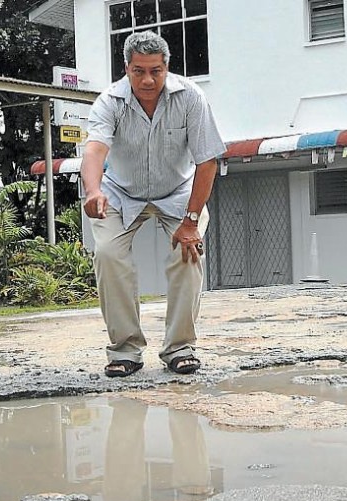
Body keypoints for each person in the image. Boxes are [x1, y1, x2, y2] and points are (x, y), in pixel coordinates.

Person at [81, 31, 226, 378]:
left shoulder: (191, 97)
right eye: (138, 71)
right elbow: (94, 149)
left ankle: (180, 347)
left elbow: (207, 162)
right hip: (119, 192)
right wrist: (92, 191)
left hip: (177, 191)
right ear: (126, 68)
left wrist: (190, 221)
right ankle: (125, 350)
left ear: (167, 67)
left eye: (155, 71)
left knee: (188, 253)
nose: (147, 80)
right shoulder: (108, 102)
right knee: (108, 255)